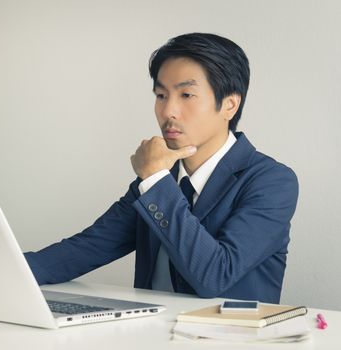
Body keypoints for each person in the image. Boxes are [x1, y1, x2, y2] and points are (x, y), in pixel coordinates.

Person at [24, 33, 298, 304]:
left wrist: (154, 179)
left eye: (186, 94)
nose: (169, 111)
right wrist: (0, 269)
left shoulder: (272, 181)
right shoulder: (161, 178)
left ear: (229, 104)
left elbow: (215, 276)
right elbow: (88, 248)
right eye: (161, 95)